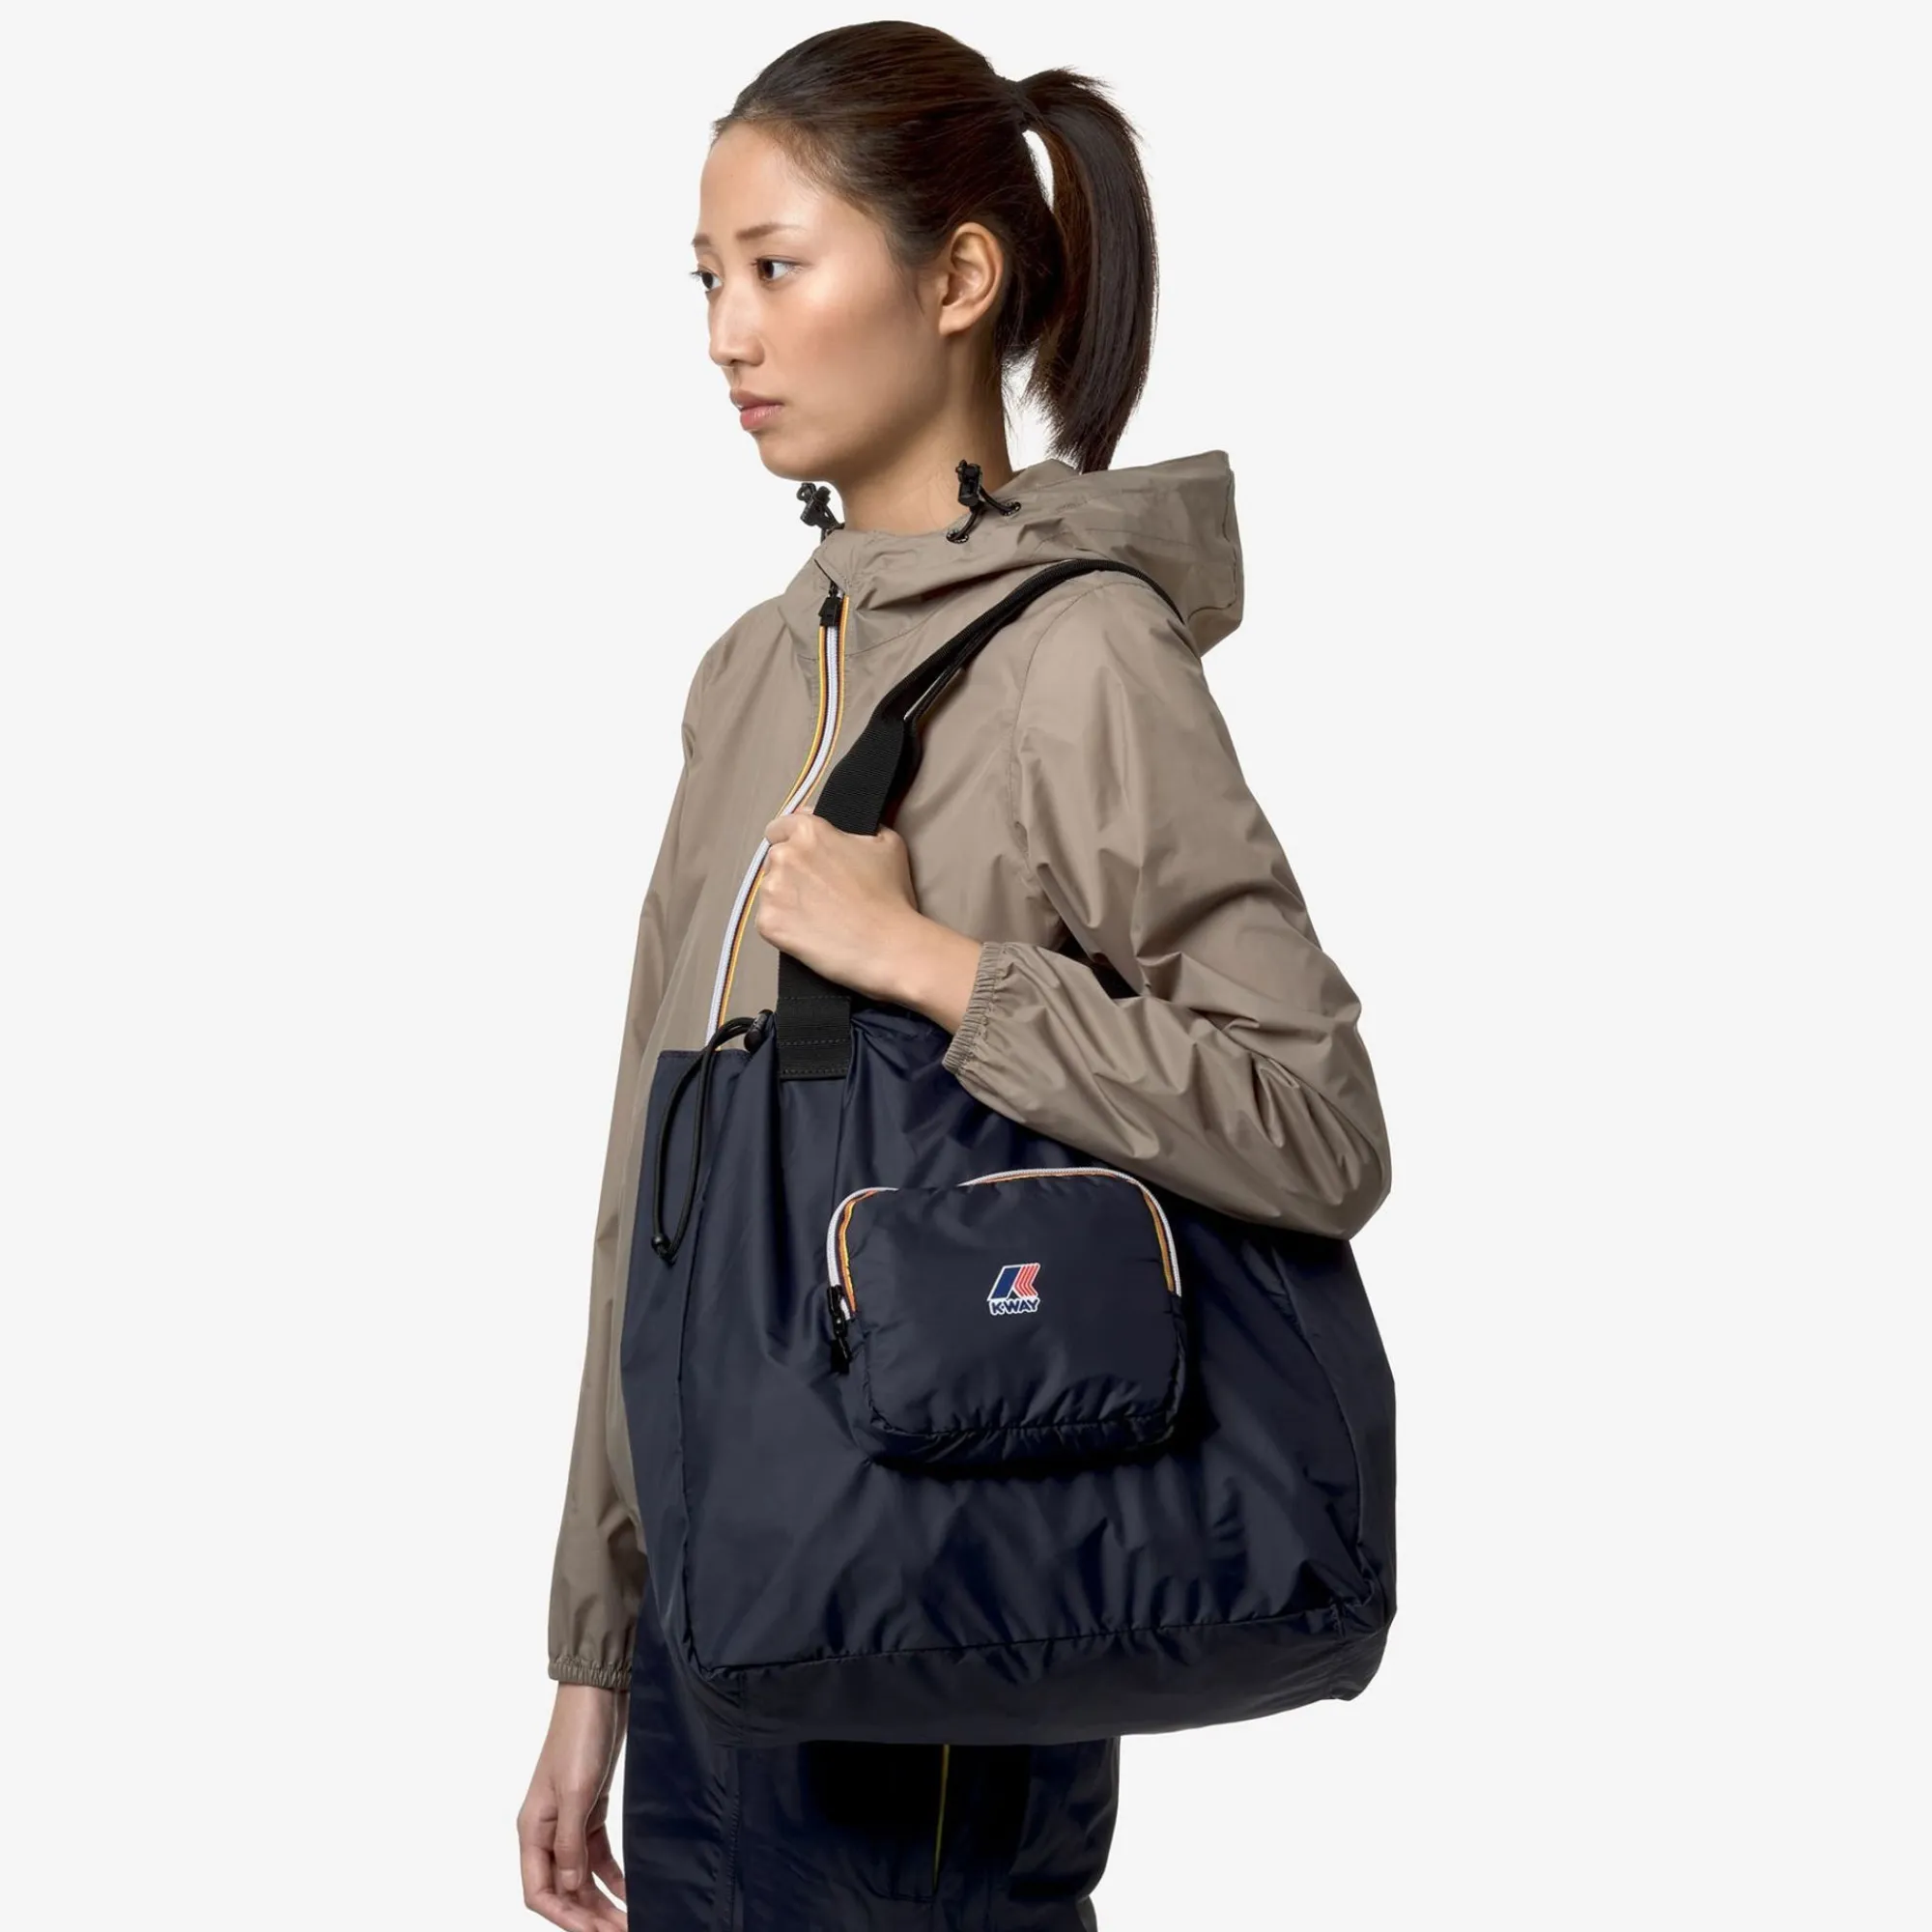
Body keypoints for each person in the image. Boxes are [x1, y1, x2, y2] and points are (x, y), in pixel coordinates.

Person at [516, 22, 1392, 1931]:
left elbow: (1316, 1125)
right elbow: (650, 1202)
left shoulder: (1080, 658)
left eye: (776, 267)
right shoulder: (751, 673)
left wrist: (935, 970)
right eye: (704, 280)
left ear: (959, 277)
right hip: (716, 1651)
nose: (728, 335)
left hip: (931, 1616)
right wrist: (596, 1648)